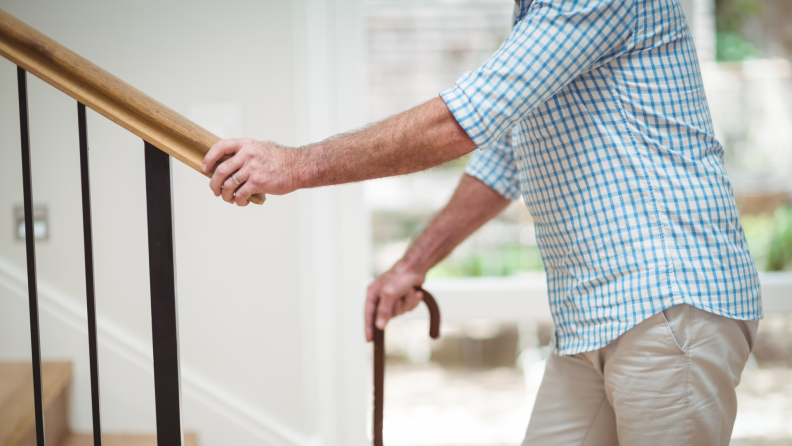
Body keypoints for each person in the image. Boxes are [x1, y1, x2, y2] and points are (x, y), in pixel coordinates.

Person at [201, 0, 761, 443]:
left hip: (668, 301)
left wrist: (296, 164)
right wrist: (410, 266)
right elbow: (502, 160)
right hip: (596, 316)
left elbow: (460, 121)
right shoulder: (537, 17)